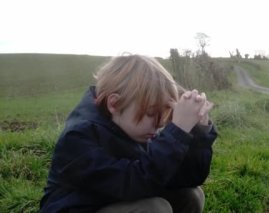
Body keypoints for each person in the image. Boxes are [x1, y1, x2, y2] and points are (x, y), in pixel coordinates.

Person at [40, 54, 217, 213]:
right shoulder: (78, 138)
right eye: (150, 112)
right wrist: (176, 132)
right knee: (154, 209)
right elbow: (135, 183)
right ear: (115, 104)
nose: (160, 123)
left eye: (163, 113)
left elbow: (188, 178)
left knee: (191, 195)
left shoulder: (133, 129)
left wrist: (198, 133)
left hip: (114, 200)